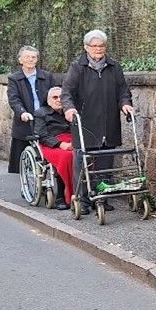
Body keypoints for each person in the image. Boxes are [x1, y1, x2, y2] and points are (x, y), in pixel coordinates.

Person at [61, 29, 134, 206]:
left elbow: (123, 90)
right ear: (86, 47)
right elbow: (67, 92)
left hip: (108, 123)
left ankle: (102, 199)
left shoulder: (114, 66)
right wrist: (69, 109)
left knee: (105, 164)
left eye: (101, 46)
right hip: (84, 122)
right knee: (82, 163)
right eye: (94, 46)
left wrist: (125, 103)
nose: (98, 49)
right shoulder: (77, 66)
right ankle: (83, 200)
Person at [6, 46, 57, 175]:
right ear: (20, 60)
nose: (30, 59)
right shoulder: (14, 78)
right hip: (26, 120)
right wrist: (22, 112)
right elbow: (14, 99)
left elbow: (55, 94)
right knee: (24, 155)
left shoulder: (47, 76)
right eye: (27, 57)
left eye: (33, 57)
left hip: (46, 119)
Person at [33, 86, 76, 209]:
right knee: (66, 156)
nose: (58, 100)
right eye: (55, 97)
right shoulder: (41, 113)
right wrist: (61, 144)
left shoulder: (70, 111)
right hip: (51, 144)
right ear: (48, 100)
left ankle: (83, 194)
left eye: (61, 97)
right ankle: (62, 196)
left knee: (83, 154)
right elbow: (41, 135)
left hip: (72, 140)